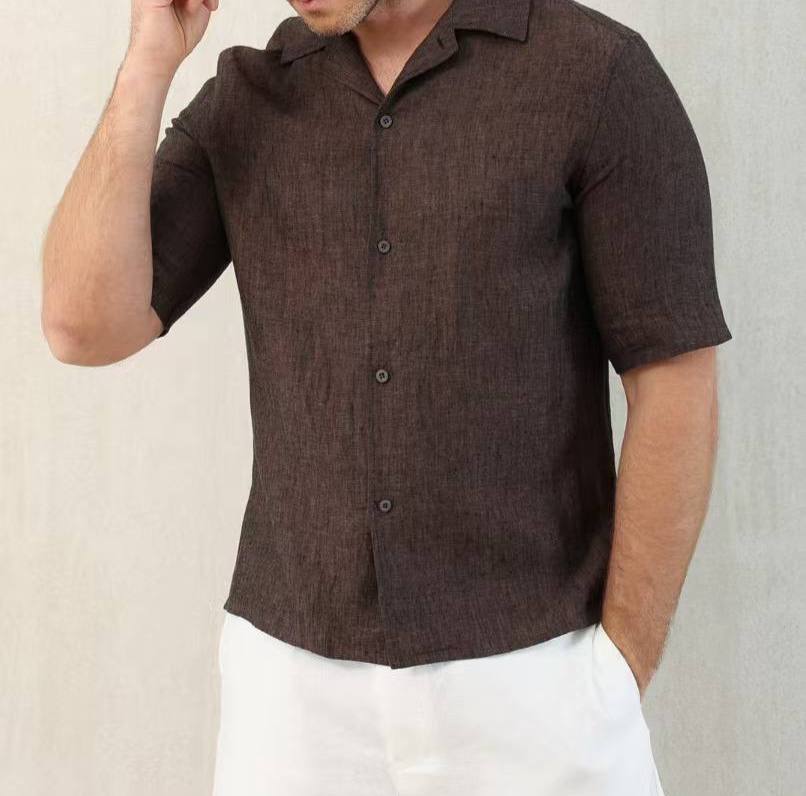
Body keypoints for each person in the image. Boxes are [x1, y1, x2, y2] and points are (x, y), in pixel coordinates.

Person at [41, 0, 733, 793]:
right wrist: (147, 64)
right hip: (290, 701)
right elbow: (81, 326)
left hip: (534, 685)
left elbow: (674, 382)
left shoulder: (593, 74)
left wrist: (617, 670)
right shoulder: (249, 96)